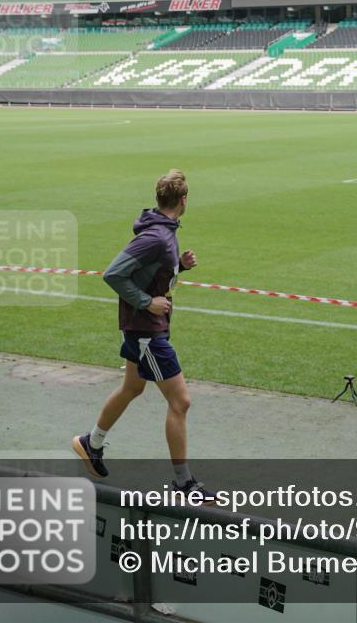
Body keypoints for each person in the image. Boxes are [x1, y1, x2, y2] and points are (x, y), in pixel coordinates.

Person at [72, 169, 213, 500]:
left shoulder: (165, 232)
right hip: (147, 332)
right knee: (181, 401)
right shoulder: (154, 237)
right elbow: (114, 274)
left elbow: (151, 269)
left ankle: (90, 444)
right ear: (183, 200)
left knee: (132, 387)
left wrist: (179, 264)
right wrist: (147, 302)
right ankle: (183, 482)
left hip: (143, 329)